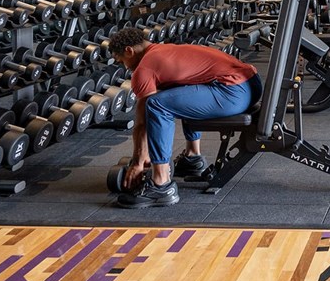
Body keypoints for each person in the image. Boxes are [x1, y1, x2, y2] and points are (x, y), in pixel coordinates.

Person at [108, 27, 263, 208]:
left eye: (122, 61)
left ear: (129, 50)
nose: (125, 67)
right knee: (177, 93)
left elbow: (142, 123)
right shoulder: (165, 50)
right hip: (251, 85)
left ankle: (161, 183)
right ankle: (192, 157)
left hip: (233, 92)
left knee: (157, 105)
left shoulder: (144, 68)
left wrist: (138, 162)